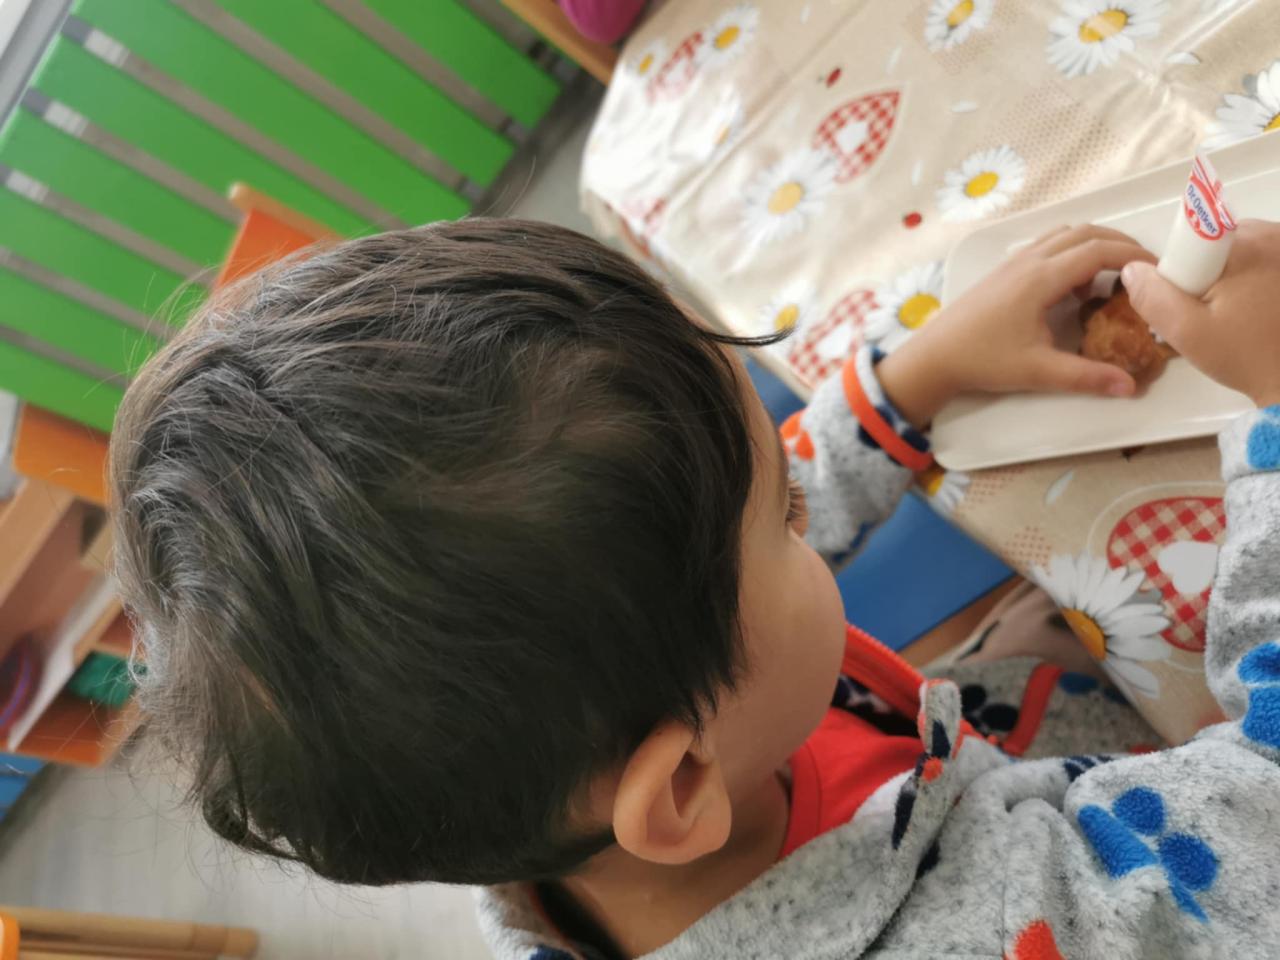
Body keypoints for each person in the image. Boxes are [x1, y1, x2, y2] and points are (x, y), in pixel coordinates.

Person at [109, 218, 1280, 958]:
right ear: (675, 786)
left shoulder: (556, 772)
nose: (800, 503)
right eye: (785, 516)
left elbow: (700, 530)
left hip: (958, 760)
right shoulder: (990, 928)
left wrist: (914, 379)